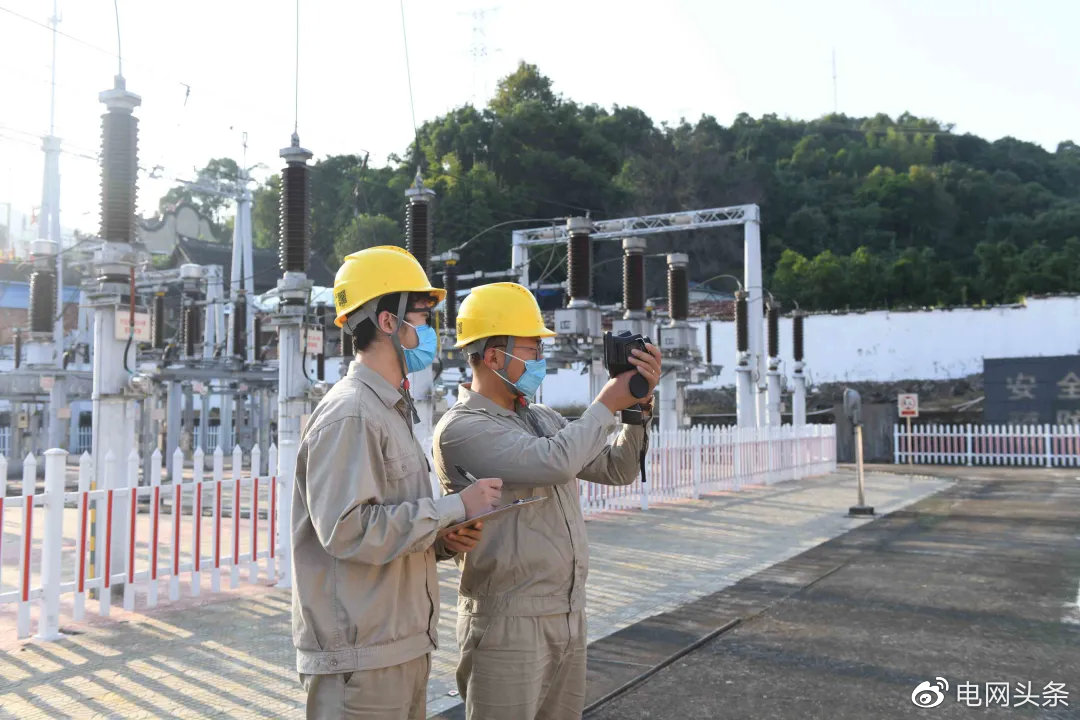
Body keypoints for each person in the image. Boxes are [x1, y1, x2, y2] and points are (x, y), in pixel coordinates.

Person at [432, 282, 662, 719]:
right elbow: (555, 462)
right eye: (532, 348)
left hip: (568, 611)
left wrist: (636, 410)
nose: (541, 357)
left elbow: (617, 468)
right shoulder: (462, 428)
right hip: (508, 621)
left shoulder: (541, 417)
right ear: (493, 355)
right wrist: (607, 402)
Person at [292, 246, 503, 719]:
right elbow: (347, 530)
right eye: (424, 316)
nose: (432, 331)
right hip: (359, 661)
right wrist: (453, 508)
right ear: (388, 322)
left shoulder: (389, 411)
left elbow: (386, 524)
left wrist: (444, 540)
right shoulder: (351, 412)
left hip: (398, 648)